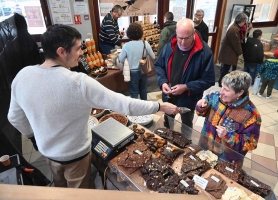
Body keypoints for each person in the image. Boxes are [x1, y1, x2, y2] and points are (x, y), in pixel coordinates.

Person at [7, 24, 179, 189]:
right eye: (77, 48)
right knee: (80, 193)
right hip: (75, 155)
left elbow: (14, 117)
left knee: (60, 189)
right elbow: (124, 104)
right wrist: (159, 106)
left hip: (48, 153)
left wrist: (33, 137)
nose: (81, 53)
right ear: (61, 51)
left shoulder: (22, 76)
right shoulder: (78, 82)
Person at [155, 18, 215, 129]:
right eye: (180, 38)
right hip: (169, 96)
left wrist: (187, 87)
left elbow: (209, 79)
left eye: (186, 38)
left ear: (193, 34)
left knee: (186, 126)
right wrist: (163, 82)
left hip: (188, 99)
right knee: (167, 122)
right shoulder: (170, 45)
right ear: (176, 34)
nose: (182, 42)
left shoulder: (204, 52)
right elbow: (158, 65)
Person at [196, 71, 261, 165]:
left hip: (226, 159)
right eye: (222, 87)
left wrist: (227, 136)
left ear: (239, 92)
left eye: (226, 89)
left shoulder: (252, 115)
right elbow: (201, 111)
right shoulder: (215, 97)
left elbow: (251, 144)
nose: (221, 92)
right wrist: (201, 106)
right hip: (205, 147)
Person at [119, 23, 155, 100]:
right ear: (141, 33)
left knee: (134, 92)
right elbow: (153, 56)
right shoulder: (145, 43)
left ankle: (136, 110)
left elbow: (121, 59)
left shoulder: (126, 46)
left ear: (129, 34)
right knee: (143, 91)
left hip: (133, 72)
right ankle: (145, 108)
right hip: (144, 70)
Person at [218, 12, 248, 87]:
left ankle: (223, 82)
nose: (244, 23)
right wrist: (240, 51)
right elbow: (236, 43)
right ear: (241, 21)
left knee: (225, 68)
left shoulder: (235, 27)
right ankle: (221, 82)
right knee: (225, 69)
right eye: (244, 22)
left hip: (229, 52)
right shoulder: (234, 29)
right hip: (229, 53)